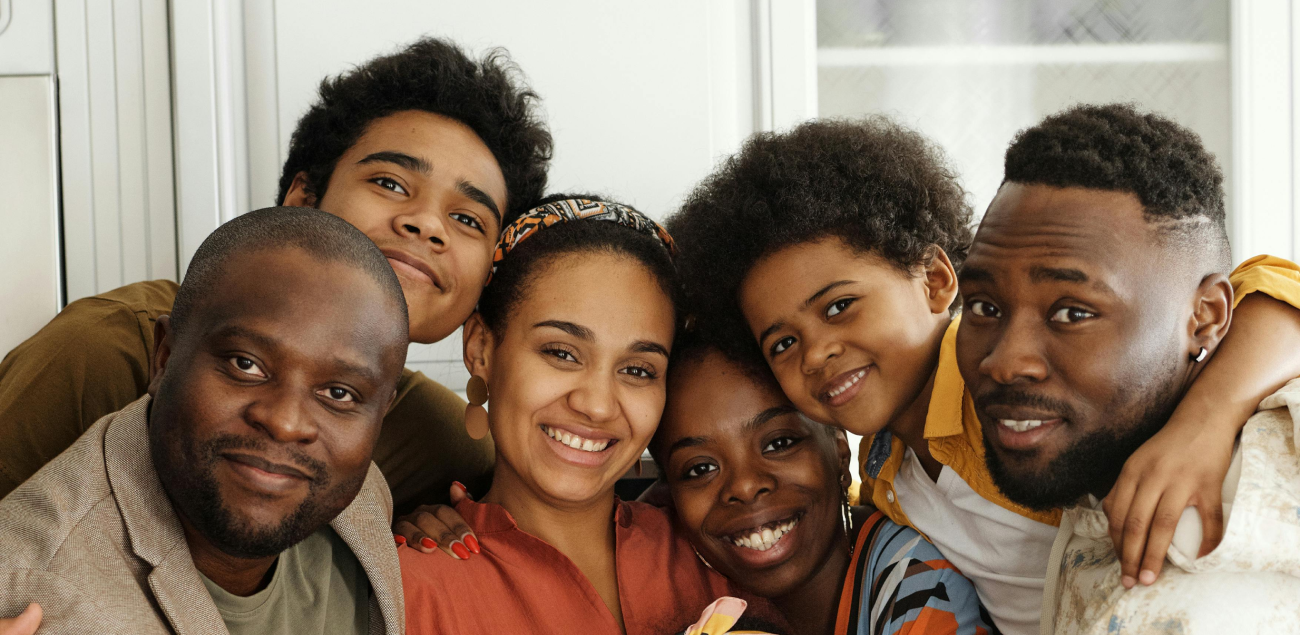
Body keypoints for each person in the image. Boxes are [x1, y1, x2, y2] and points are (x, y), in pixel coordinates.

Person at [664, 117, 1300, 634]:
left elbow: (1272, 285)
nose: (817, 354)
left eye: (839, 307)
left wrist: (1206, 419)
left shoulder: (1017, 395)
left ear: (939, 282)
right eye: (783, 342)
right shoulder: (886, 478)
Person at [0, 37, 551, 518]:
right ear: (303, 199)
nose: (426, 223)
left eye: (466, 219)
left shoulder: (446, 445)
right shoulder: (109, 350)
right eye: (389, 183)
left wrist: (415, 540)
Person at [955, 104, 1300, 634]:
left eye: (1073, 313)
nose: (1004, 362)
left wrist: (1211, 414)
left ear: (1205, 318)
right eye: (983, 306)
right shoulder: (1084, 467)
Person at [0, 207, 411, 633]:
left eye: (338, 393)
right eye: (245, 364)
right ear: (164, 357)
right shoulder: (33, 592)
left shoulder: (358, 498)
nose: (287, 423)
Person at [398, 195, 763, 635]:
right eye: (562, 353)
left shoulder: (721, 545)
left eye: (637, 370)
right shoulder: (407, 589)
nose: (597, 405)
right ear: (480, 349)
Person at [651, 327, 996, 635]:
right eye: (699, 469)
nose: (744, 486)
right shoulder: (669, 577)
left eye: (779, 443)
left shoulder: (919, 585)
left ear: (840, 451)